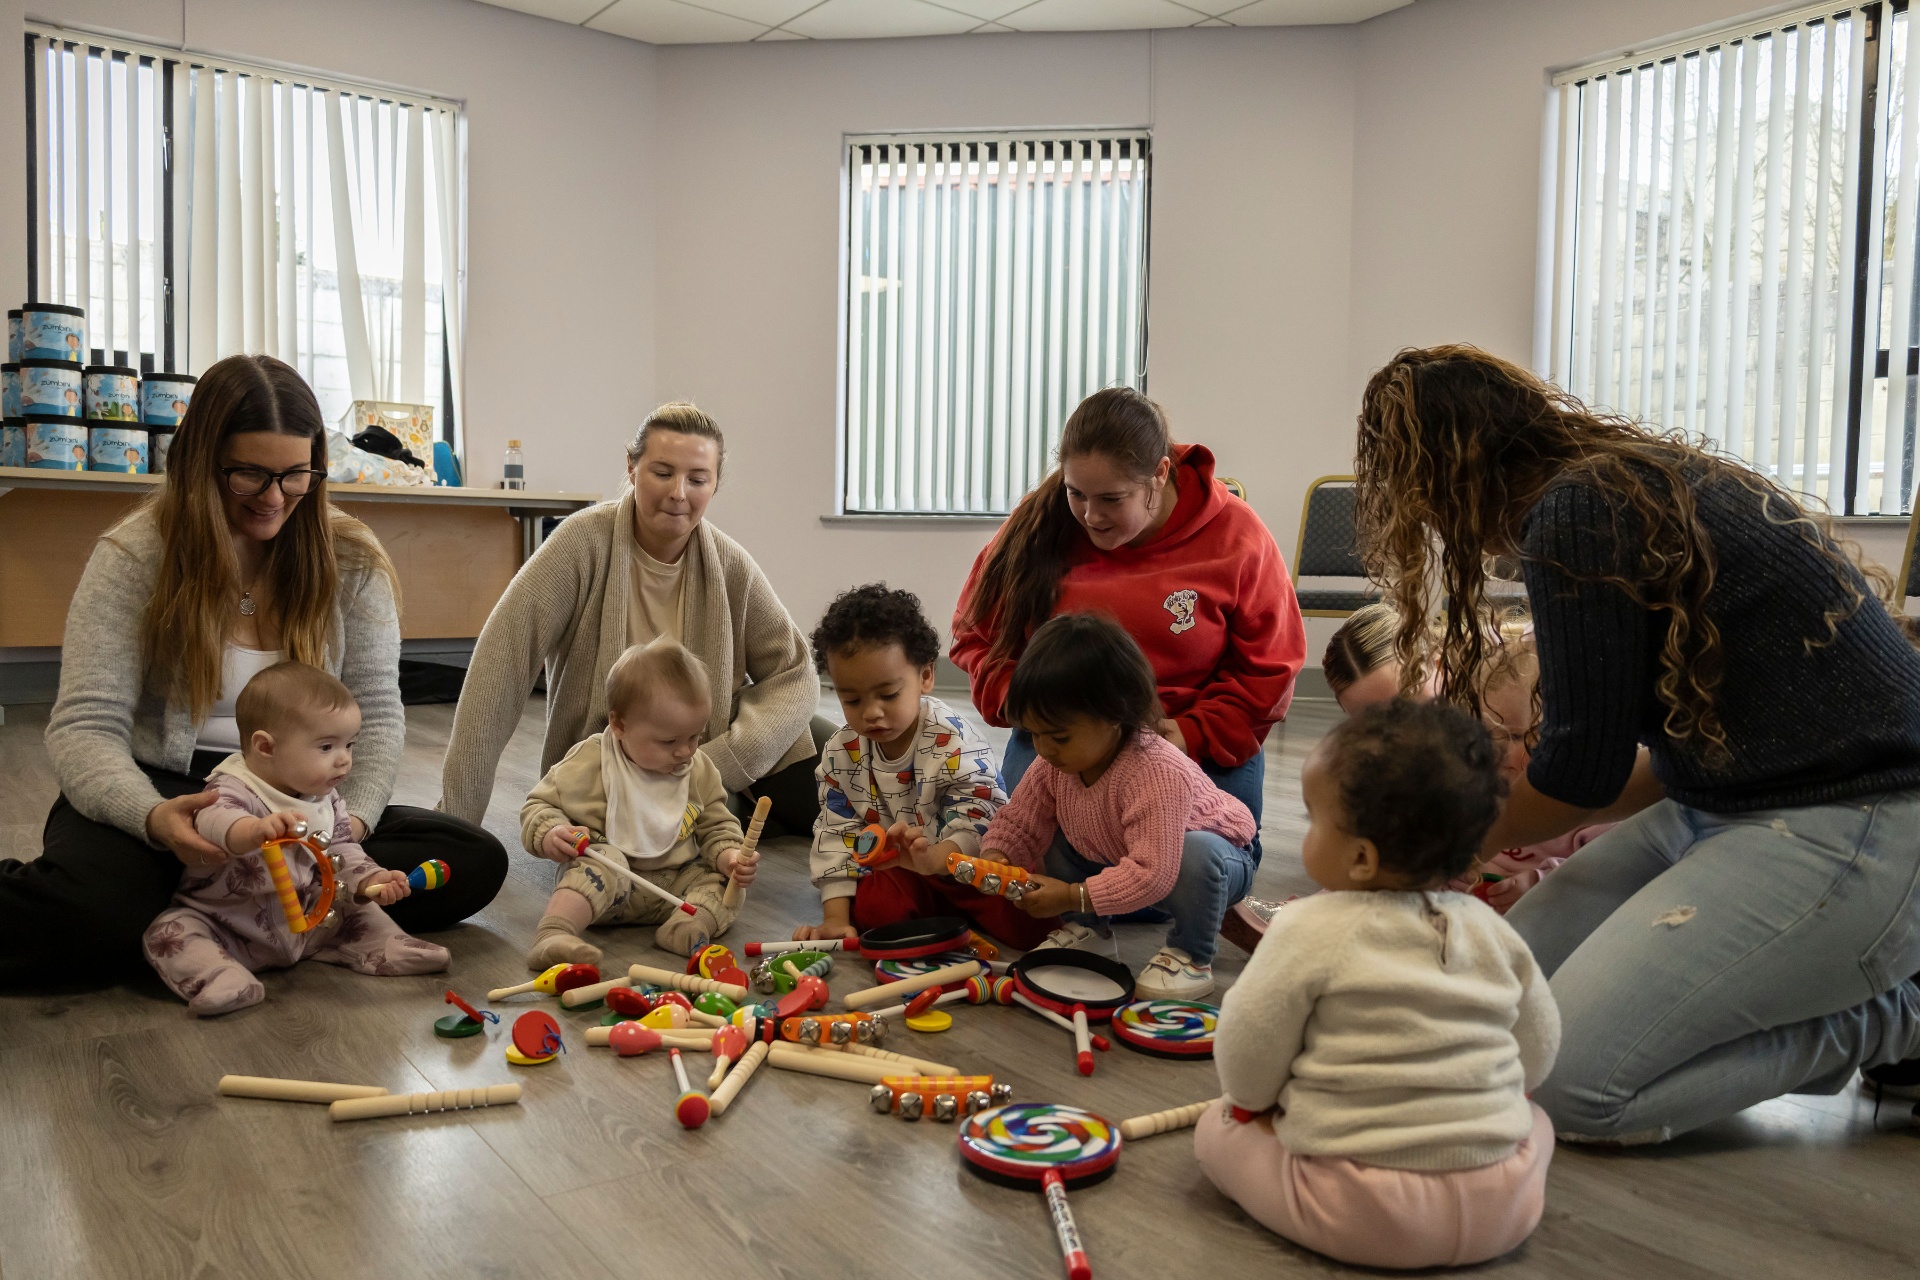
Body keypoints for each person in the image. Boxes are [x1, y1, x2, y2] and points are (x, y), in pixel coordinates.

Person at [1354, 343, 1920, 1139]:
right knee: (1507, 1015)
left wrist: (1433, 850)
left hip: (1856, 817)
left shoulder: (1577, 514)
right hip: (1720, 801)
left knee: (1574, 1089)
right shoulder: (1609, 488)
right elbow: (1630, 767)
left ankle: (1895, 1015)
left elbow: (1579, 776)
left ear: (1451, 476)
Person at [2, 354, 505, 986]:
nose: (274, 498)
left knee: (473, 861)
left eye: (296, 476)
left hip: (301, 804)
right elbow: (84, 727)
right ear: (200, 466)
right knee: (88, 916)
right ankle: (254, 916)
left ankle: (209, 920)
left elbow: (376, 711)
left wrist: (349, 831)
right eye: (250, 476)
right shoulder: (135, 556)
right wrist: (156, 821)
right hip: (168, 794)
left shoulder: (351, 561)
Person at [1199, 698, 1558, 1270]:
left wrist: (1251, 1108)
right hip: (1504, 1204)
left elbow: (1248, 1056)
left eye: (1314, 818)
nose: (1307, 829)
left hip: (1366, 1212)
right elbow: (1538, 1054)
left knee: (1214, 1133)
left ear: (1362, 858)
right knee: (1536, 1121)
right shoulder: (1493, 931)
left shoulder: (1307, 928)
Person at [951, 387, 1305, 866]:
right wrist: (1033, 706)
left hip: (1187, 739)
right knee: (1028, 856)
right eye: (1075, 493)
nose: (1091, 516)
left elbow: (1270, 668)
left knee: (1204, 864)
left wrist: (1189, 733)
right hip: (1065, 734)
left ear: (1159, 474)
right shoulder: (1037, 526)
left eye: (1112, 499)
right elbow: (977, 637)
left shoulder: (1237, 537)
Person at [442, 402, 829, 837]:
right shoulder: (579, 544)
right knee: (673, 842)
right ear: (631, 468)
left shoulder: (729, 563)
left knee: (848, 768)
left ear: (715, 484)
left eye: (697, 479)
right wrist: (456, 826)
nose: (679, 493)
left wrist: (721, 762)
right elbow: (498, 672)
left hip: (701, 754)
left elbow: (795, 674)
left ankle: (736, 809)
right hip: (609, 767)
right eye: (662, 473)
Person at [143, 662, 448, 1016]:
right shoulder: (230, 786)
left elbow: (342, 847)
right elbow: (214, 822)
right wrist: (253, 830)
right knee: (170, 931)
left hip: (308, 916)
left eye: (349, 744)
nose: (344, 760)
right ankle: (220, 975)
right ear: (265, 747)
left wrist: (372, 879)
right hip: (228, 925)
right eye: (326, 747)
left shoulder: (325, 798)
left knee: (354, 905)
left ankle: (386, 945)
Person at [980, 614, 1255, 999]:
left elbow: (1154, 873)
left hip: (1220, 860)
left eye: (1058, 736)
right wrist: (997, 856)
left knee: (1197, 853)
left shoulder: (1155, 769)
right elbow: (1020, 822)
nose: (1043, 749)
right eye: (1034, 734)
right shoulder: (1053, 765)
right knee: (1051, 828)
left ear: (1114, 714)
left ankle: (1191, 954)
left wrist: (1072, 895)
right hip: (1128, 852)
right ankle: (1091, 931)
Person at [794, 584, 1053, 948]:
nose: (871, 712)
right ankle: (945, 926)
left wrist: (935, 860)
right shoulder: (841, 752)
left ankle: (946, 921)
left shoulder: (952, 741)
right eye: (851, 699)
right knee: (875, 911)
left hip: (961, 866)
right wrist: (835, 919)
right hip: (903, 873)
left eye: (888, 695)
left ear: (926, 676)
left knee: (1032, 914)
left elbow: (983, 816)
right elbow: (836, 831)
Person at [520, 639, 753, 966]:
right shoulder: (591, 762)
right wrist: (551, 833)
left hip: (677, 892)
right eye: (669, 741)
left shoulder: (698, 769)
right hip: (611, 889)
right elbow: (537, 806)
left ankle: (687, 926)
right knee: (600, 859)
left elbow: (718, 824)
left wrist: (730, 856)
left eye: (694, 736)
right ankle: (555, 934)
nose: (685, 751)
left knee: (726, 885)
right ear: (619, 725)